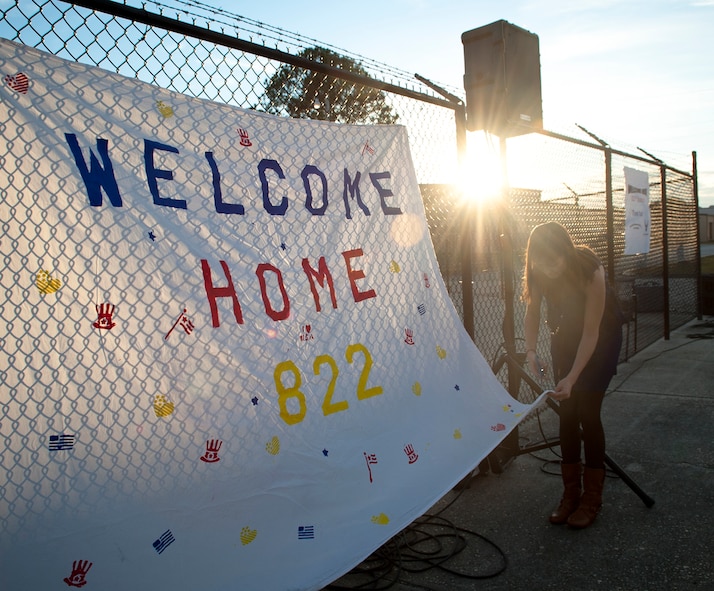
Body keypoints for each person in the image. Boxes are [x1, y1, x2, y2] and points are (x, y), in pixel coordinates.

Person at [522, 222, 623, 529]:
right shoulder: (538, 269)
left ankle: (592, 499)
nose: (549, 269)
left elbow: (592, 333)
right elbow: (532, 312)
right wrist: (530, 352)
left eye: (555, 261)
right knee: (567, 415)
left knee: (588, 415)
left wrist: (573, 376)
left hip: (600, 338)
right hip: (565, 336)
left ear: (566, 252)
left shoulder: (590, 269)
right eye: (542, 262)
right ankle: (570, 495)